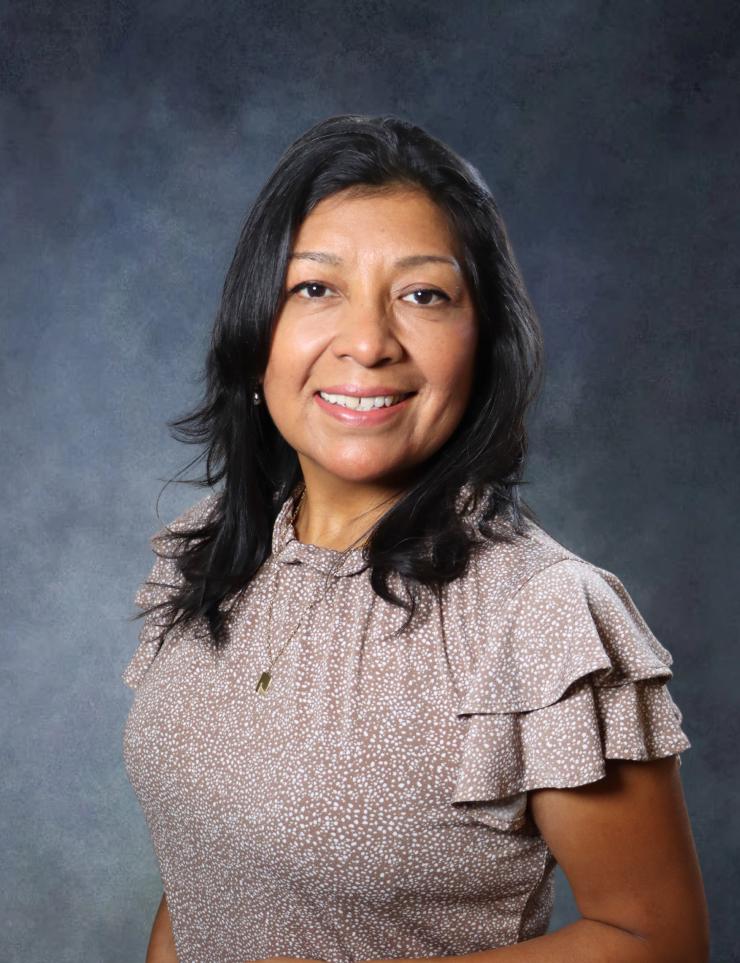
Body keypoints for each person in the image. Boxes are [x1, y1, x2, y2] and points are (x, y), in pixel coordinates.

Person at [121, 114, 709, 963]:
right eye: (314, 289)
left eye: (423, 294)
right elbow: (203, 878)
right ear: (258, 341)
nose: (367, 342)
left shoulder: (542, 616)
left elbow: (657, 939)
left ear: (483, 345)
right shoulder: (207, 558)